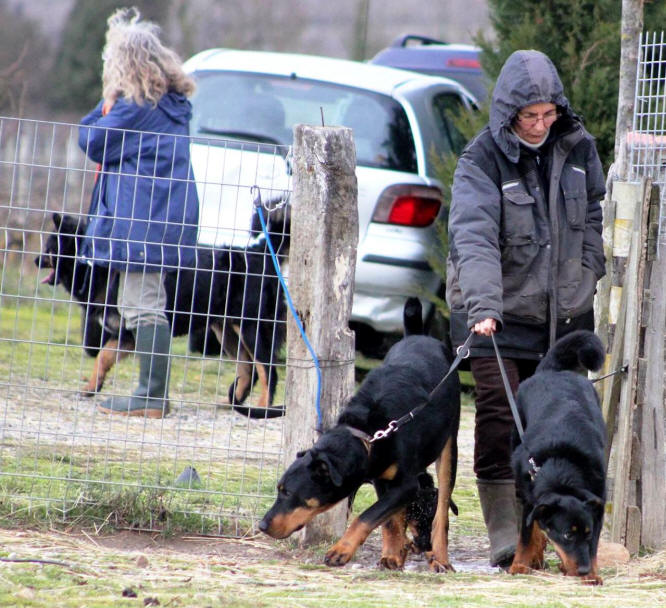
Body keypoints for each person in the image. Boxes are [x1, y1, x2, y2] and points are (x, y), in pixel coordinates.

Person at [445, 50, 605, 567]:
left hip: (563, 315)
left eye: (548, 114)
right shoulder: (481, 160)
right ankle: (505, 531)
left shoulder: (580, 148)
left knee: (552, 426)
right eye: (528, 116)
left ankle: (543, 529)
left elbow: (596, 214)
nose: (540, 125)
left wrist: (589, 271)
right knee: (499, 413)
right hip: (495, 313)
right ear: (508, 114)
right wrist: (484, 305)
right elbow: (473, 239)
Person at [78, 7, 199, 419]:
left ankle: (152, 396)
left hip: (143, 220)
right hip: (162, 216)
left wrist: (106, 100)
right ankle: (152, 393)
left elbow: (91, 140)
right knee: (142, 301)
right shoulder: (170, 105)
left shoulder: (136, 108)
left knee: (144, 304)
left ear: (125, 65)